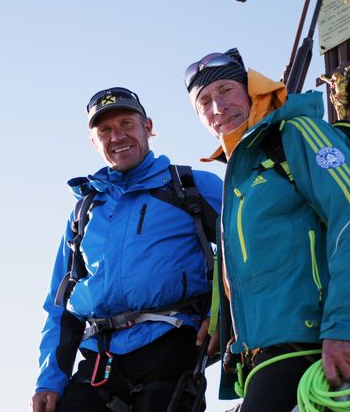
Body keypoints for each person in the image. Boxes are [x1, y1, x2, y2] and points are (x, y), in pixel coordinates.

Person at [183, 49, 350, 411]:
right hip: (263, 354)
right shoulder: (241, 175)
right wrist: (220, 317)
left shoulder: (297, 132)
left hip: (312, 343)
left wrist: (345, 327)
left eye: (225, 90)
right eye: (204, 102)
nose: (217, 107)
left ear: (251, 89)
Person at [31, 87, 223, 412]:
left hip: (170, 347)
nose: (116, 136)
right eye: (104, 130)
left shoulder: (190, 187)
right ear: (94, 141)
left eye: (126, 124)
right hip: (99, 359)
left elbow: (245, 252)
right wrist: (50, 379)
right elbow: (60, 303)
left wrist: (220, 318)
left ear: (147, 127)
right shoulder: (85, 210)